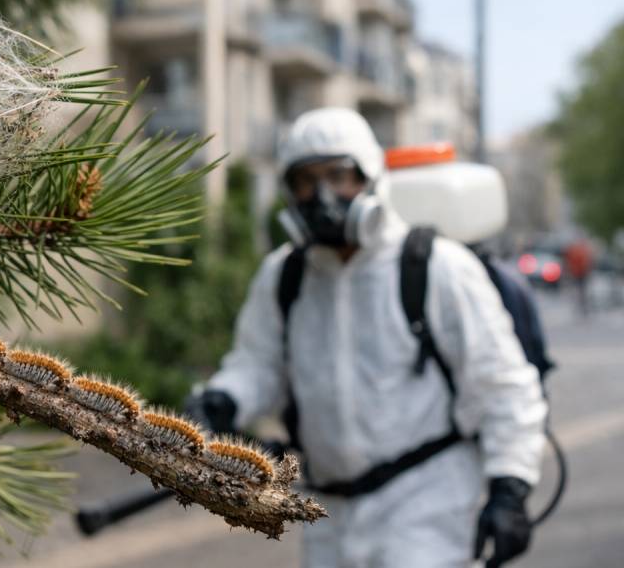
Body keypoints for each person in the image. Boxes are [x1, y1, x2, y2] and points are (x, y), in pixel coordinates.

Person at [190, 108, 548, 568]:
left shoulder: (437, 266)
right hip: (327, 511)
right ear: (289, 190)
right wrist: (225, 398)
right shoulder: (286, 275)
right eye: (306, 180)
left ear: (372, 177)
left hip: (425, 504)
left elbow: (503, 384)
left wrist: (509, 489)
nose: (322, 196)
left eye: (339, 175)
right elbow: (257, 363)